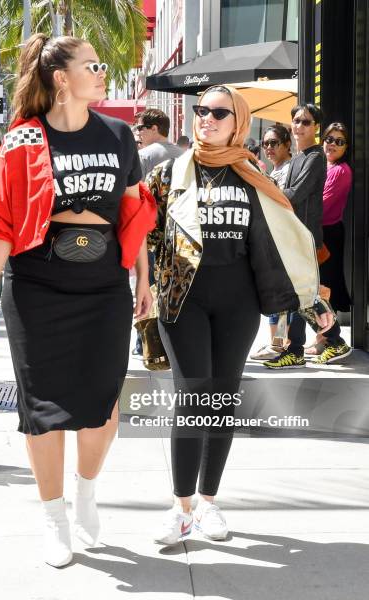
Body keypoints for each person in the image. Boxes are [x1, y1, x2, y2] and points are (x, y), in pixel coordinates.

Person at [0, 33, 155, 568]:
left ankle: (85, 491)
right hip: (37, 285)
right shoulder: (23, 140)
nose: (102, 73)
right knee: (43, 409)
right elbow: (0, 220)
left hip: (102, 284)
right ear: (61, 79)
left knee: (102, 403)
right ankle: (53, 517)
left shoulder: (120, 135)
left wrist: (142, 279)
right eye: (92, 66)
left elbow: (133, 214)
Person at [147, 85, 334, 546]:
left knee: (222, 399)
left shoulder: (254, 176)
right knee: (192, 398)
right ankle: (181, 507)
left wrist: (313, 302)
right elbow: (144, 235)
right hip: (182, 302)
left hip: (238, 304)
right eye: (201, 111)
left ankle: (208, 502)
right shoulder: (169, 174)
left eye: (218, 112)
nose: (206, 118)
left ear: (239, 121)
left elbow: (282, 246)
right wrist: (141, 290)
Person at [264, 104, 350, 368]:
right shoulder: (298, 158)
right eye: (296, 121)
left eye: (306, 122)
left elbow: (294, 195)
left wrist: (264, 192)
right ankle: (303, 348)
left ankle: (331, 343)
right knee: (300, 296)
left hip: (305, 238)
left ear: (316, 128)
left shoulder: (314, 157)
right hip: (293, 237)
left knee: (304, 296)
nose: (299, 125)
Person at [132, 108, 182, 357]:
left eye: (140, 127)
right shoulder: (185, 155)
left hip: (150, 235)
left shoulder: (143, 156)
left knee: (147, 289)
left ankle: (147, 344)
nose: (137, 132)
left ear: (154, 128)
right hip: (178, 237)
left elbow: (133, 198)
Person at [306, 122, 353, 363]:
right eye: (329, 139)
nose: (332, 144)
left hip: (328, 234)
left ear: (346, 147)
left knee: (323, 289)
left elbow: (320, 208)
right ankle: (323, 337)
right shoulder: (322, 165)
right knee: (317, 287)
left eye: (339, 141)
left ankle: (325, 340)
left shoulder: (341, 171)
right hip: (316, 232)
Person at [250, 125, 293, 360]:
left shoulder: (288, 169)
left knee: (282, 297)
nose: (268, 148)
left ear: (287, 144)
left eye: (274, 143)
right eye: (265, 143)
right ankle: (275, 343)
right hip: (271, 240)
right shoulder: (274, 170)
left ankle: (280, 345)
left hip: (284, 241)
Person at [136, 109, 183, 179]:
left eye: (140, 128)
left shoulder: (142, 155)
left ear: (154, 128)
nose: (138, 133)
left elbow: (136, 188)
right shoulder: (183, 154)